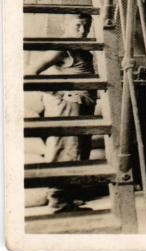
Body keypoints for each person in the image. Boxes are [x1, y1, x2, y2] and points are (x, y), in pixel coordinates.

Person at [26, 13, 98, 211]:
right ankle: (58, 201)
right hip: (68, 106)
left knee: (80, 151)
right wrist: (60, 93)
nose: (82, 31)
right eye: (77, 26)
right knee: (65, 150)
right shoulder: (62, 48)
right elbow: (30, 72)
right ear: (66, 25)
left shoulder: (85, 50)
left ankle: (70, 198)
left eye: (86, 26)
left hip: (83, 106)